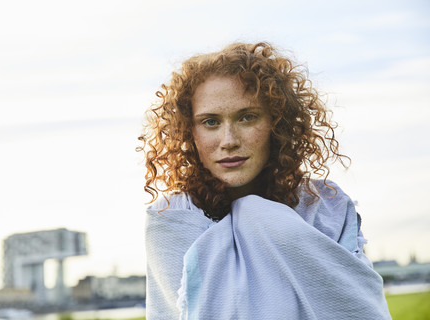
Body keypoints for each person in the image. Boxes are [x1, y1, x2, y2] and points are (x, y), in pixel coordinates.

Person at [138, 42, 391, 319]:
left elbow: (355, 307)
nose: (229, 141)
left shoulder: (325, 208)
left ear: (277, 122)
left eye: (247, 117)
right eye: (210, 122)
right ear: (190, 132)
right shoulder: (174, 219)